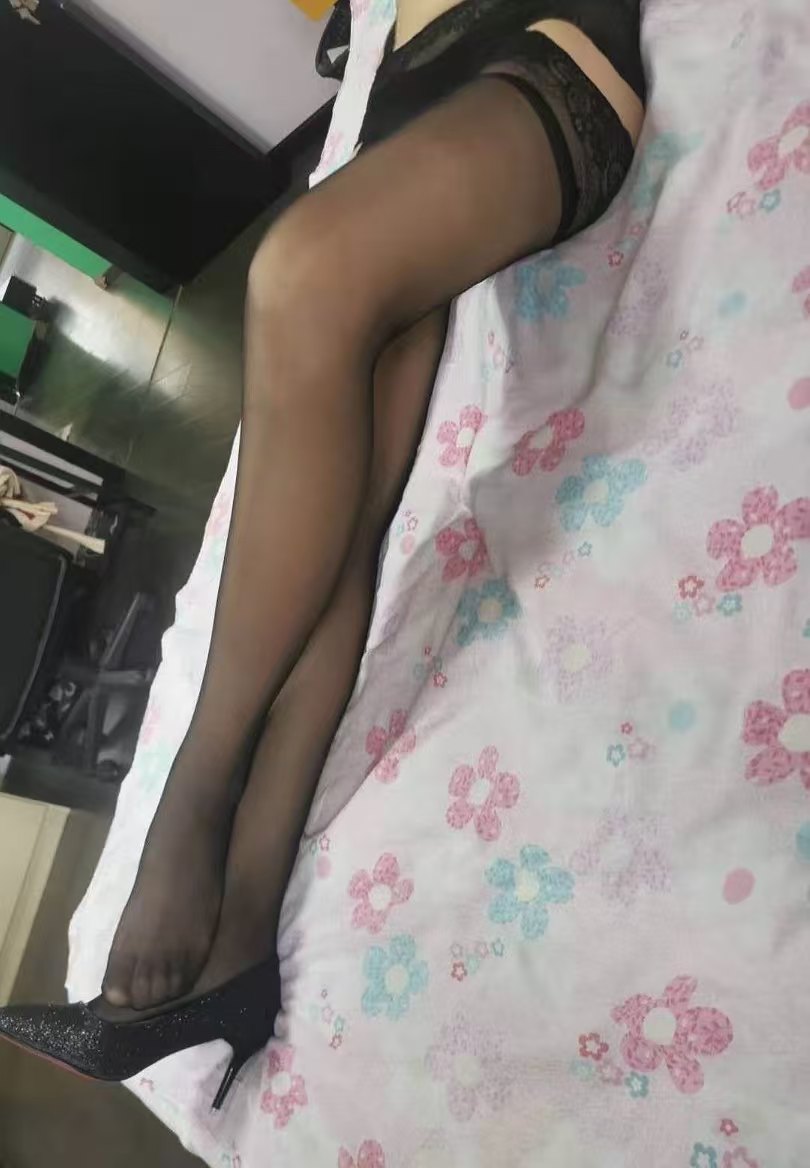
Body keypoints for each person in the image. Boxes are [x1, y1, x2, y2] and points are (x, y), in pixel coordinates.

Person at [0, 0, 645, 1108]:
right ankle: (240, 940)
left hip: (545, 56)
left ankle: (192, 805)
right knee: (330, 519)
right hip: (413, 93)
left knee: (298, 273)